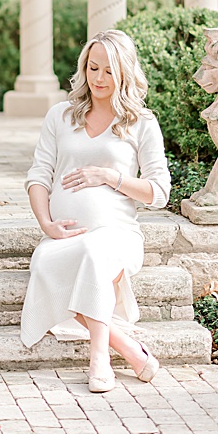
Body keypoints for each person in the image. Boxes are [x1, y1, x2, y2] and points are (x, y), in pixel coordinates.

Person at [20, 29, 171, 392]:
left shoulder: (142, 123)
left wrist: (109, 176)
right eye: (93, 68)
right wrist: (47, 224)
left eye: (108, 70)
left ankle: (100, 357)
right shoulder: (60, 116)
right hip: (66, 235)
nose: (99, 79)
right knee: (45, 262)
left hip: (118, 235)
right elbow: (39, 175)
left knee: (92, 253)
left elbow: (159, 192)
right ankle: (131, 350)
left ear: (124, 73)